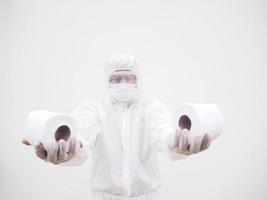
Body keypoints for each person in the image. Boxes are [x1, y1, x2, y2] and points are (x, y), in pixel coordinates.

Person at [22, 54, 212, 200]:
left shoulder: (152, 109)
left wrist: (178, 143)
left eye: (129, 78)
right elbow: (81, 135)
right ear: (107, 82)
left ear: (139, 80)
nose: (122, 83)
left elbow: (163, 134)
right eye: (116, 78)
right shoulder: (94, 110)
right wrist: (68, 147)